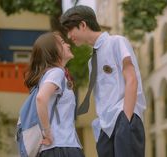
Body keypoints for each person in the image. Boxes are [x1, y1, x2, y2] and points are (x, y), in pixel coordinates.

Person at [60, 5, 146, 157]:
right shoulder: (91, 61)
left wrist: (126, 119)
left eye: (70, 29)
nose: (68, 36)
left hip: (123, 117)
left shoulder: (116, 42)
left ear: (83, 25)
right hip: (105, 126)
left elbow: (131, 79)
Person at [24, 32, 84, 157]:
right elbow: (41, 98)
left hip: (58, 147)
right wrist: (47, 132)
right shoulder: (56, 72)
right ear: (52, 51)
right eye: (62, 43)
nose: (68, 45)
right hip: (61, 148)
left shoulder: (52, 74)